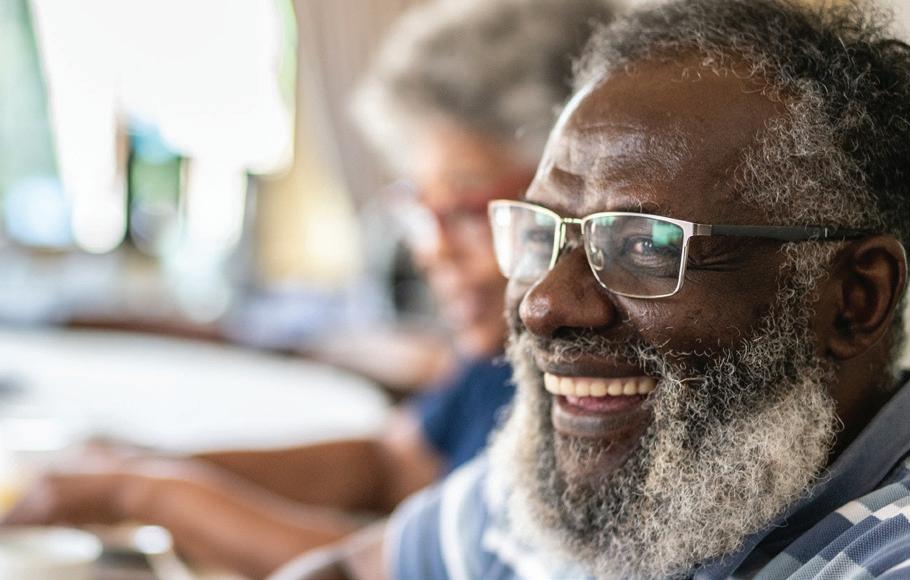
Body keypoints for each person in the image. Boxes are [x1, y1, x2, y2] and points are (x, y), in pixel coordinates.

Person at [385, 1, 910, 578]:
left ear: (854, 299)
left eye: (642, 244)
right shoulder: (607, 480)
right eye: (541, 232)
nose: (543, 304)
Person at [1, 0, 614, 577]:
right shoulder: (491, 365)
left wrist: (142, 492)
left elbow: (404, 565)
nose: (431, 248)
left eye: (466, 208)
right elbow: (390, 463)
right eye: (418, 208)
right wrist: (144, 465)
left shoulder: (583, 385)